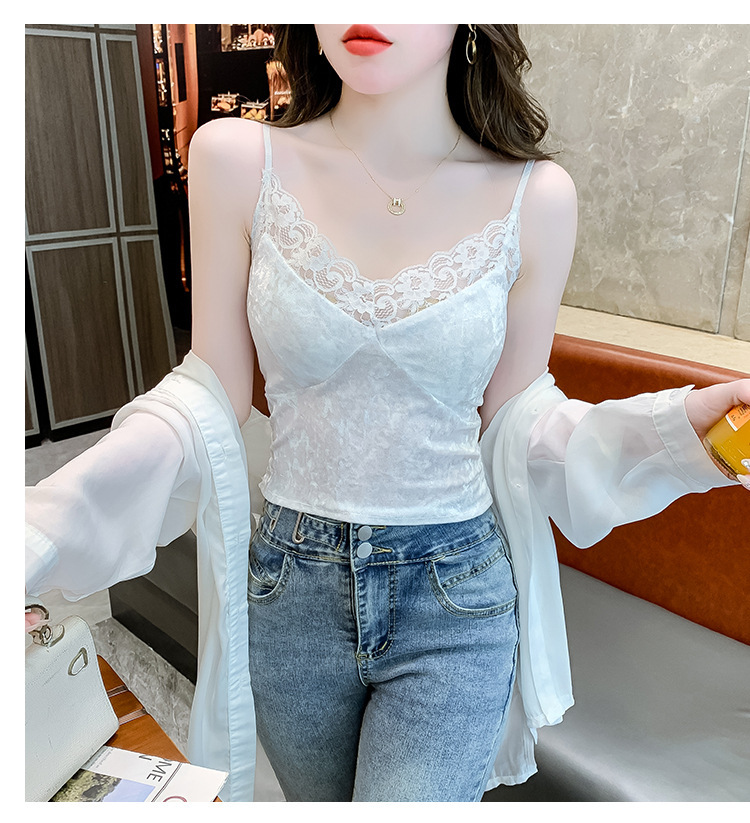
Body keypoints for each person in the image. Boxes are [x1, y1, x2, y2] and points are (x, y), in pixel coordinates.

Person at [25, 24, 749, 802]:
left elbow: (518, 418)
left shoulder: (535, 197)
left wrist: (680, 432)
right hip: (291, 593)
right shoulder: (234, 160)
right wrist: (37, 530)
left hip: (454, 597)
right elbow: (207, 393)